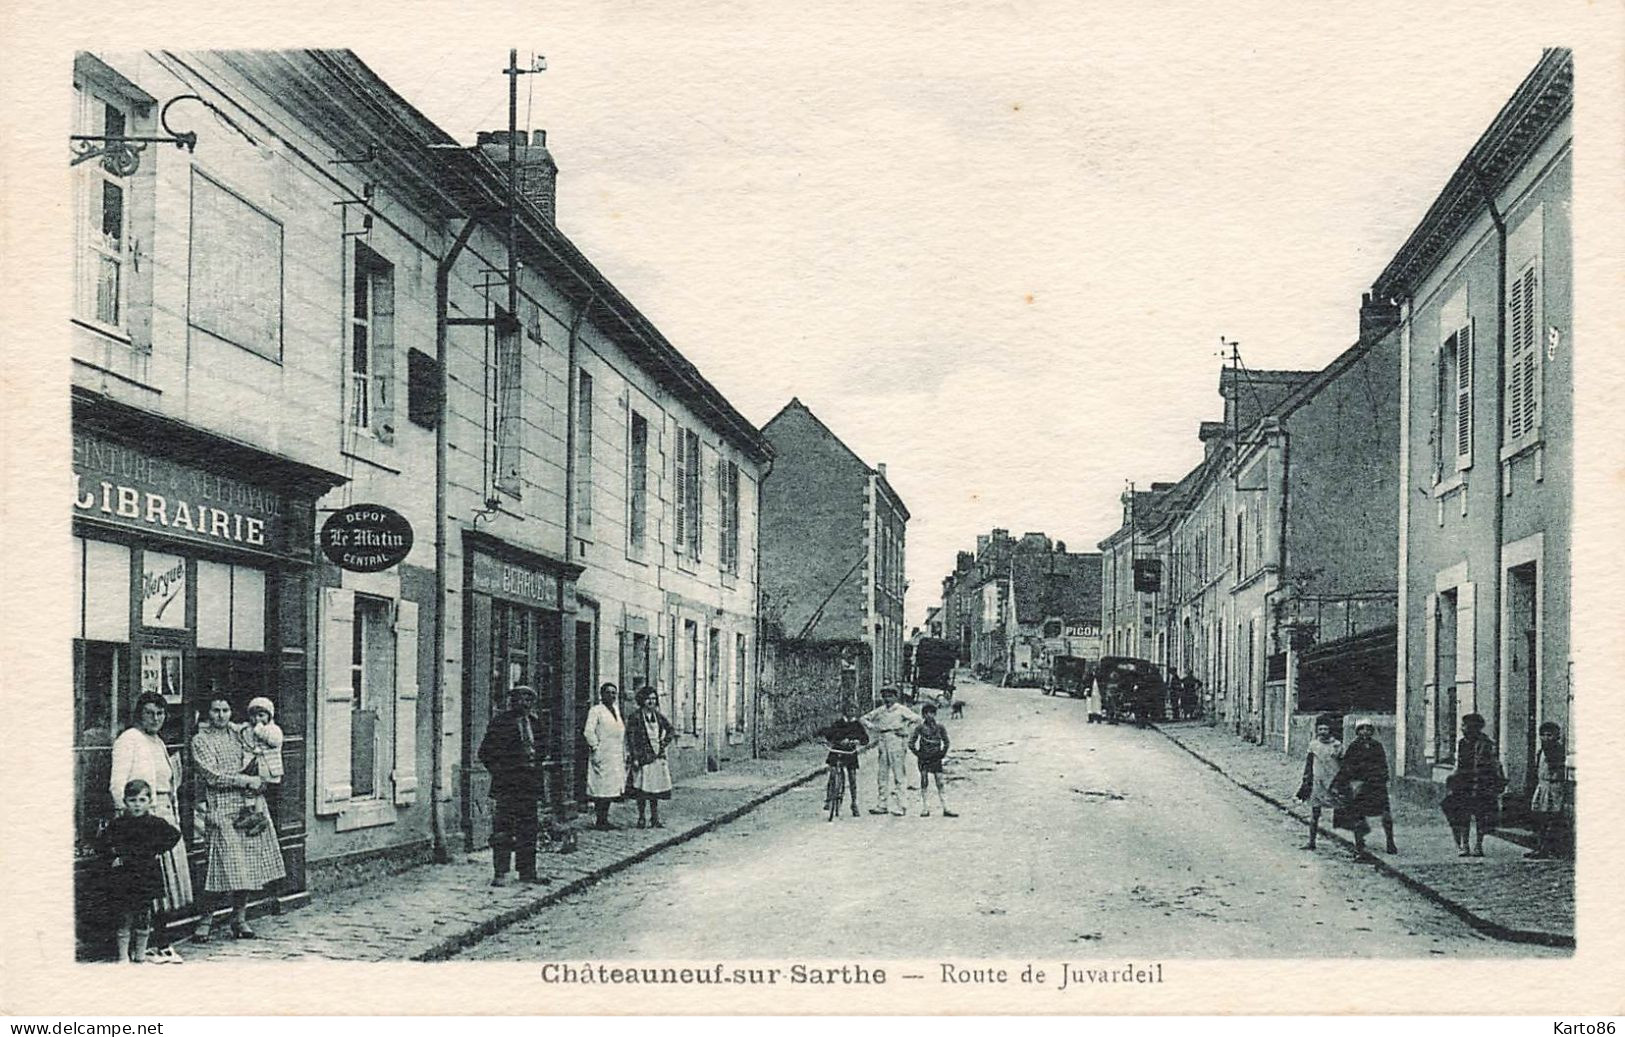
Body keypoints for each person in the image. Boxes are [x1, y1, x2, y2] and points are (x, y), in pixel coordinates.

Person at [191, 695, 285, 940]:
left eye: (225, 710)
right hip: (221, 807)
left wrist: (265, 776)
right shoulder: (200, 740)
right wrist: (246, 780)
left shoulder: (240, 733)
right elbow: (213, 776)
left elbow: (266, 746)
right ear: (207, 713)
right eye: (215, 710)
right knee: (220, 865)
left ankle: (239, 918)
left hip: (248, 805)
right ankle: (206, 919)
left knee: (248, 864)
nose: (220, 715)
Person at [108, 692, 193, 962]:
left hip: (163, 815)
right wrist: (130, 825)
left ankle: (160, 943)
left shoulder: (157, 741)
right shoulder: (129, 740)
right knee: (146, 886)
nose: (155, 719)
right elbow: (117, 784)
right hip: (142, 820)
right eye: (149, 713)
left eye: (160, 714)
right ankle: (148, 946)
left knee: (164, 885)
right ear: (138, 715)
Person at [104, 779, 183, 964]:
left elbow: (174, 835)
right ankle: (123, 956)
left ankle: (140, 956)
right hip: (124, 875)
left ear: (149, 801)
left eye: (141, 800)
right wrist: (115, 856)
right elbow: (104, 843)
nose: (137, 805)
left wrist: (155, 850)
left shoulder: (155, 823)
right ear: (124, 802)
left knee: (143, 914)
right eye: (132, 800)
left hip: (147, 873)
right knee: (125, 916)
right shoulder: (118, 824)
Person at [477, 685, 549, 886]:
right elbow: (485, 753)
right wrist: (502, 772)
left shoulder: (535, 724)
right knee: (503, 830)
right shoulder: (500, 723)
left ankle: (527, 872)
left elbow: (543, 750)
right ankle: (500, 873)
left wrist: (534, 766)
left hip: (529, 785)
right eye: (519, 699)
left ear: (532, 703)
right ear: (511, 702)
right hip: (507, 786)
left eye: (528, 700)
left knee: (529, 830)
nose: (523, 704)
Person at [1332, 718, 1399, 856]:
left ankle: (1390, 842)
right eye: (1362, 729)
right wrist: (1343, 782)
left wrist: (1383, 777)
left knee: (1386, 814)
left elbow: (1383, 764)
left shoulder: (1377, 746)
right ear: (1357, 731)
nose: (1365, 732)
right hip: (1360, 784)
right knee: (1358, 815)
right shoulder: (1354, 747)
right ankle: (1359, 844)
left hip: (1376, 784)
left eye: (1368, 729)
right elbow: (1347, 766)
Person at [1443, 712, 1506, 857]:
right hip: (1463, 783)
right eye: (1462, 725)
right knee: (1461, 815)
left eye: (1464, 726)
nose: (1462, 728)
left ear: (1473, 727)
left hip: (1481, 784)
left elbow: (1496, 764)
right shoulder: (1461, 743)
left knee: (1481, 816)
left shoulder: (1487, 744)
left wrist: (1496, 781)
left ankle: (1478, 844)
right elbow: (1458, 763)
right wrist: (1453, 778)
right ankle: (1464, 845)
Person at [860, 687, 920, 815]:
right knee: (882, 774)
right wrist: (873, 727)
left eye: (890, 696)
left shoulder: (901, 710)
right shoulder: (881, 710)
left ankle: (901, 806)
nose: (887, 699)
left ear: (895, 697)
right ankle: (882, 804)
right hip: (882, 740)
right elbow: (864, 719)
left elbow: (917, 719)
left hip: (896, 741)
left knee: (899, 774)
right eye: (885, 697)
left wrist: (906, 730)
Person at [624, 686, 676, 829]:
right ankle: (641, 817)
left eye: (653, 699)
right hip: (643, 757)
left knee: (655, 789)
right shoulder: (635, 717)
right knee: (642, 789)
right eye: (648, 699)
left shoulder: (658, 716)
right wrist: (634, 757)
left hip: (657, 756)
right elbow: (631, 738)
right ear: (642, 700)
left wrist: (664, 743)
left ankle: (654, 817)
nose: (651, 702)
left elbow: (670, 730)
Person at [582, 682, 627, 830]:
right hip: (602, 753)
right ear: (602, 695)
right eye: (608, 693)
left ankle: (605, 819)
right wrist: (595, 747)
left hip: (614, 754)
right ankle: (600, 820)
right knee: (600, 788)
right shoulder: (596, 710)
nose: (612, 696)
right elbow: (588, 731)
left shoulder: (616, 710)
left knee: (610, 788)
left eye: (614, 693)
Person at [1295, 713, 1343, 850]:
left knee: (1343, 810)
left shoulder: (1337, 746)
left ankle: (1355, 844)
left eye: (1325, 729)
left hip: (1333, 783)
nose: (1322, 732)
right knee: (1315, 813)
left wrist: (1340, 782)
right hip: (1317, 783)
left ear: (1330, 730)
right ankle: (1311, 842)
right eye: (1320, 729)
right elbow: (1308, 764)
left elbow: (1343, 764)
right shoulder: (1313, 745)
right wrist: (1306, 780)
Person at [816, 702, 870, 818]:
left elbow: (865, 739)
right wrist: (831, 740)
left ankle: (854, 803)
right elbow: (829, 733)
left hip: (850, 753)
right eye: (849, 710)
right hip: (837, 751)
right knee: (833, 773)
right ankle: (829, 799)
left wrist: (857, 741)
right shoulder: (838, 723)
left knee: (852, 777)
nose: (851, 712)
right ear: (845, 711)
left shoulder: (857, 725)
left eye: (853, 710)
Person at [908, 702, 958, 818]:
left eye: (932, 713)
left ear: (935, 714)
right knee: (924, 781)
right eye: (926, 714)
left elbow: (946, 742)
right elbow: (911, 743)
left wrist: (942, 753)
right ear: (923, 715)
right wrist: (918, 753)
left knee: (940, 782)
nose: (929, 716)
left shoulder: (940, 727)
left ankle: (946, 808)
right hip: (924, 758)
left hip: (936, 757)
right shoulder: (920, 728)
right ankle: (925, 808)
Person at [1527, 722, 1568, 860]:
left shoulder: (1559, 752)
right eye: (1543, 735)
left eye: (1549, 735)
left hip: (1554, 787)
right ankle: (1540, 847)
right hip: (1542, 786)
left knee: (1553, 818)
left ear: (1556, 736)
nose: (1546, 738)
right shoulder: (1541, 752)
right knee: (1540, 818)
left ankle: (1551, 849)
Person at [239, 697, 284, 786]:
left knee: (270, 793)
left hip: (270, 771)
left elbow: (275, 742)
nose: (257, 719)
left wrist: (261, 731)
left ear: (269, 716)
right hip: (253, 768)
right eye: (253, 716)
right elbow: (242, 736)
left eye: (261, 715)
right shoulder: (248, 728)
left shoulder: (274, 729)